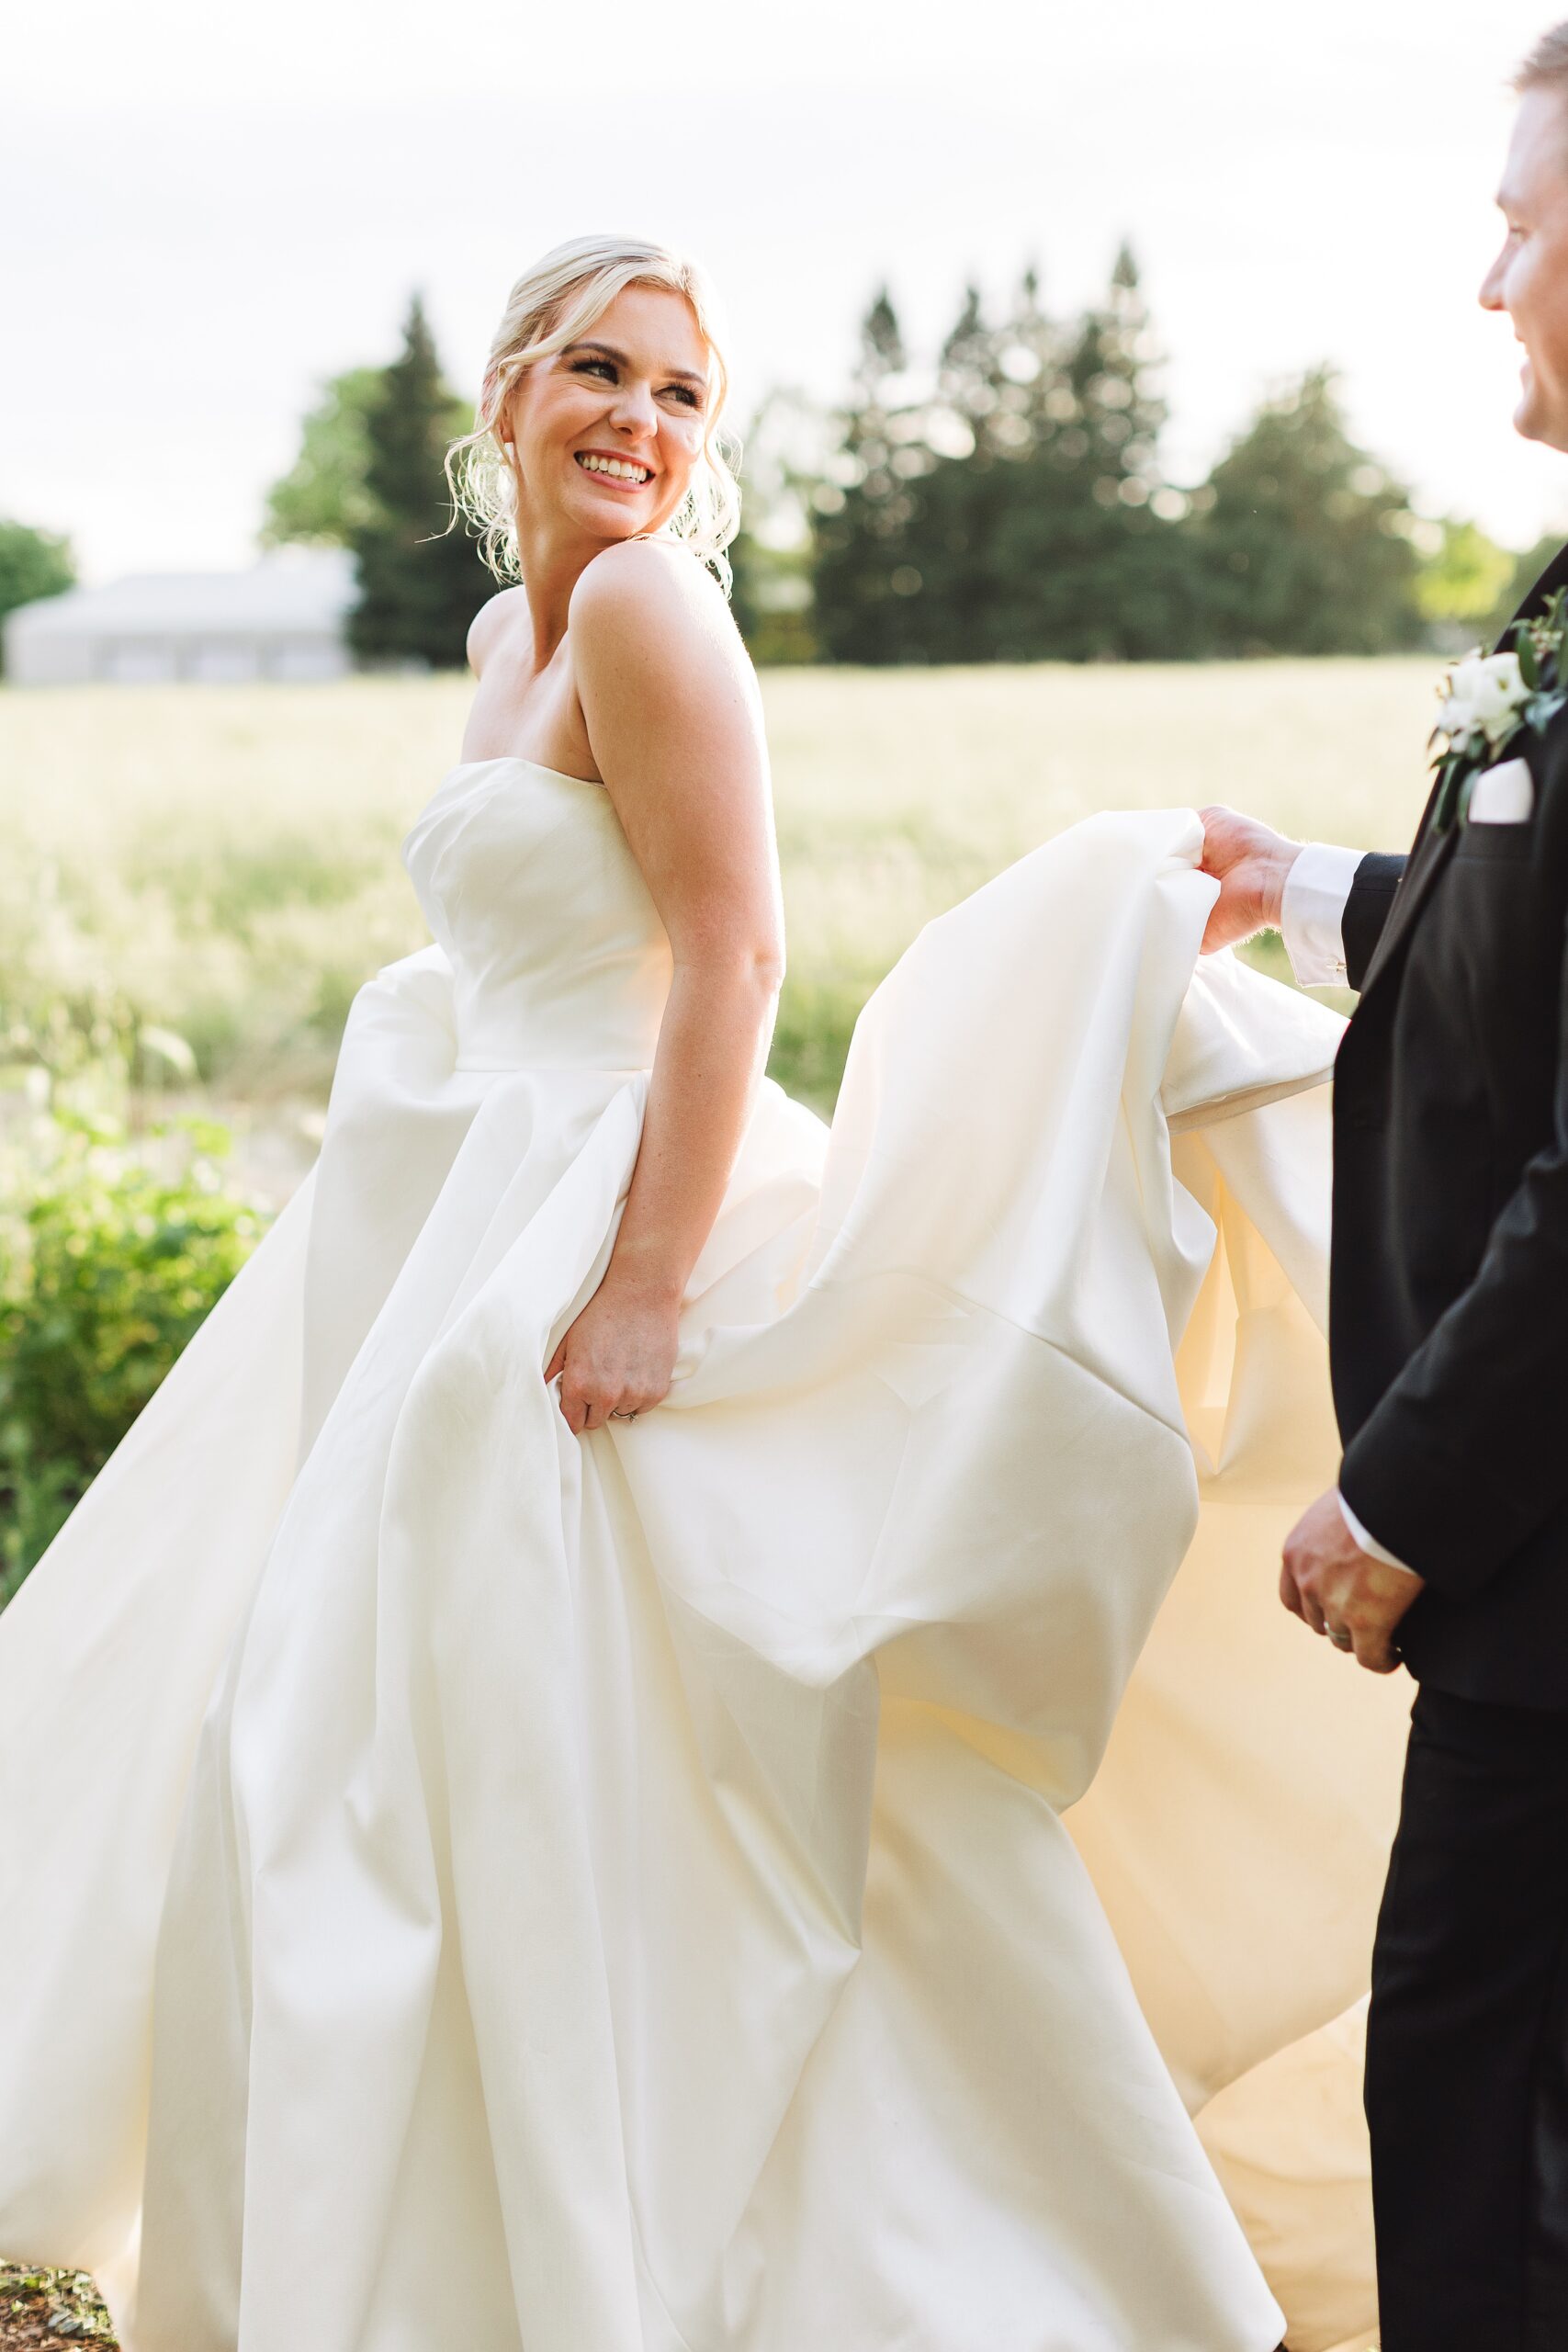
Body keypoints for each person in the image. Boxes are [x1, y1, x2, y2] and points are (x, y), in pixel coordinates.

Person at [0, 235, 1406, 2352]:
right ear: (507, 390)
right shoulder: (507, 628)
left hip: (614, 1213)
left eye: (679, 395)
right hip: (474, 1197)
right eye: (600, 371)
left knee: (607, 1729)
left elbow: (731, 955)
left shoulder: (652, 608)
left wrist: (643, 1283)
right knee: (387, 1723)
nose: (639, 427)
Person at [1201, 29, 1568, 2350]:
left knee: (1476, 2122)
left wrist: (1400, 1482)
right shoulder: (1550, 586)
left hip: (1535, 1544)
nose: (1483, 281)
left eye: (1521, 223)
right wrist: (1321, 889)